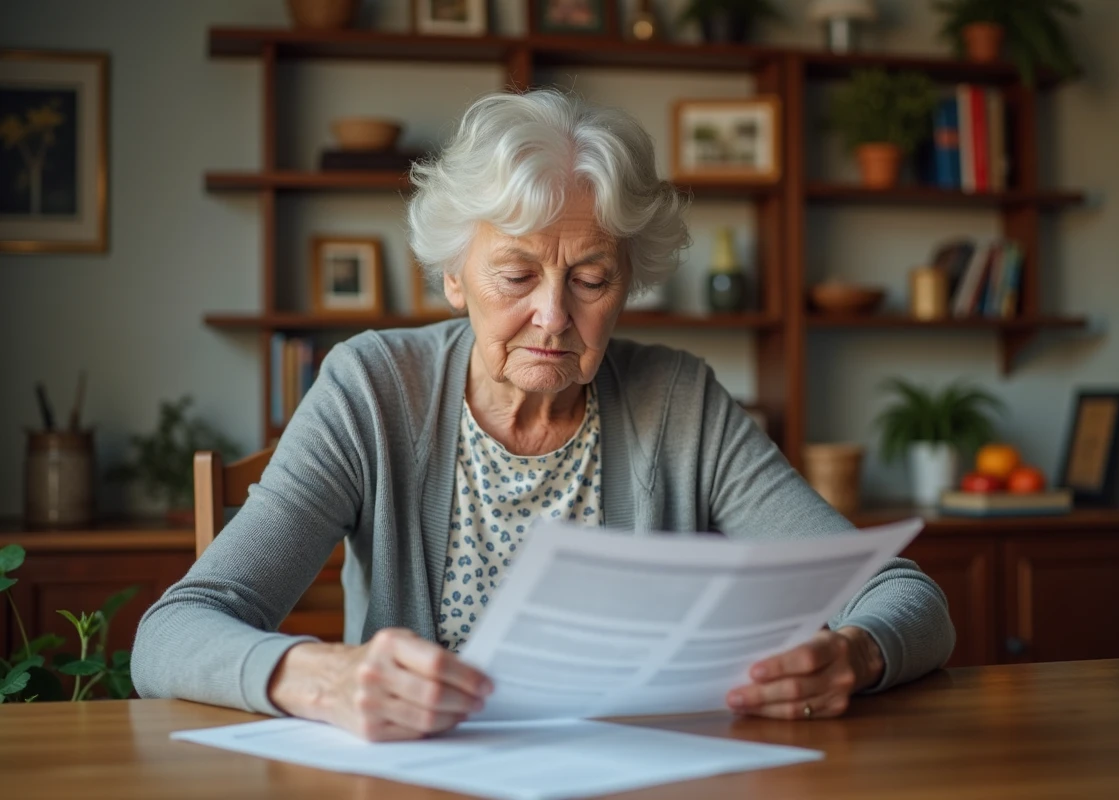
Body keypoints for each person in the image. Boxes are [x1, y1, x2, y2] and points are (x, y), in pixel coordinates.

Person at [132, 89, 954, 741]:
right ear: (454, 276)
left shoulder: (681, 402)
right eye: (516, 276)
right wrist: (322, 676)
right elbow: (171, 634)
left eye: (591, 279)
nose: (555, 317)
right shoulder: (372, 388)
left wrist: (853, 653)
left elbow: (900, 592)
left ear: (629, 281)